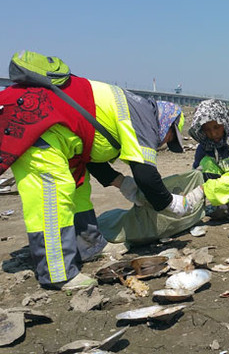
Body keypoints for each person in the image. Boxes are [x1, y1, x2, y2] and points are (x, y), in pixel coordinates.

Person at [1, 51, 203, 290]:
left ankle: (90, 246)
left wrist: (123, 184)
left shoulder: (135, 110)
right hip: (38, 128)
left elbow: (94, 157)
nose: (165, 143)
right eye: (171, 138)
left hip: (66, 140)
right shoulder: (145, 118)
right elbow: (146, 175)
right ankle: (57, 273)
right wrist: (174, 205)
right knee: (53, 198)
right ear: (166, 123)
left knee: (78, 191)